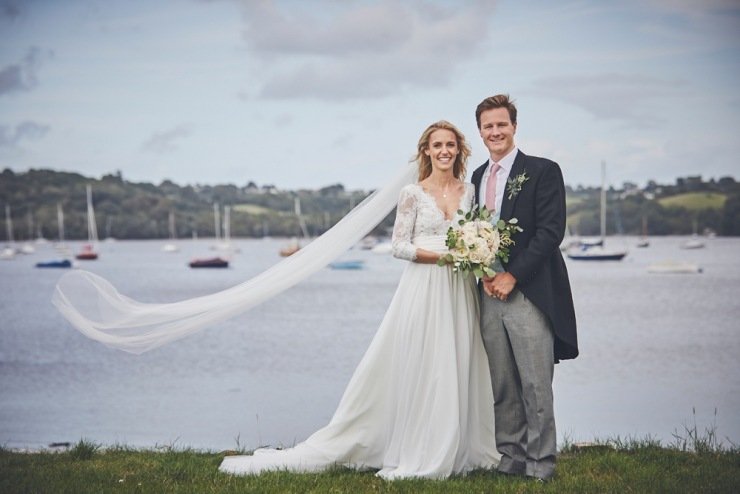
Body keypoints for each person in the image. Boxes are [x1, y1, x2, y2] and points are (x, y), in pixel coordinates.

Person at [219, 121, 501, 479]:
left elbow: (471, 233)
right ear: (426, 151)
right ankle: (419, 445)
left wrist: (473, 253)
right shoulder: (412, 193)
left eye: (450, 145)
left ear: (459, 149)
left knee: (458, 359)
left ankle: (460, 443)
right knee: (424, 361)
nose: (444, 151)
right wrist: (444, 257)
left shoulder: (469, 191)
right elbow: (399, 247)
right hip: (424, 286)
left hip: (459, 289)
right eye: (437, 145)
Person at [470, 94, 578, 481]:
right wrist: (484, 272)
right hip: (488, 294)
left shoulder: (543, 171)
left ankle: (541, 464)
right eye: (488, 126)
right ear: (480, 131)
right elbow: (476, 234)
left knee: (535, 384)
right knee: (503, 384)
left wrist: (512, 276)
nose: (495, 131)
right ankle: (511, 459)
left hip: (529, 292)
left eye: (501, 124)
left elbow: (551, 232)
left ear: (514, 126)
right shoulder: (478, 176)